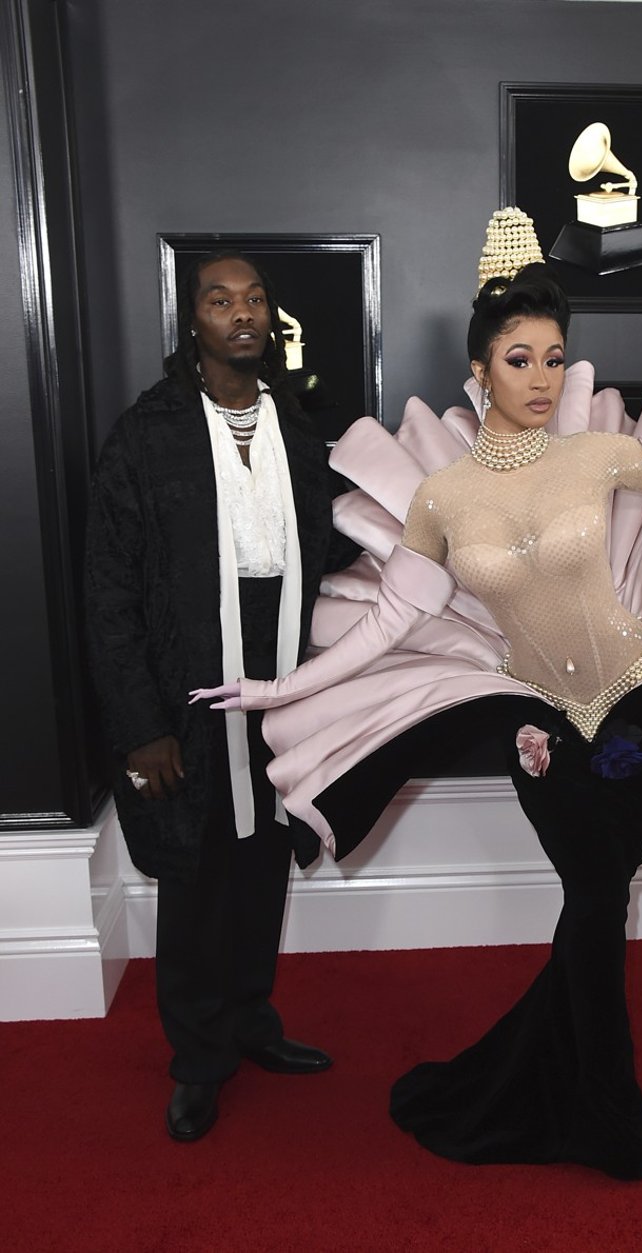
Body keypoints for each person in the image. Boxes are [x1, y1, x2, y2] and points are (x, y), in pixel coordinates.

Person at [193, 220, 642, 1178]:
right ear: (479, 370)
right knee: (594, 901)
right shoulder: (444, 501)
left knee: (594, 902)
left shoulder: (593, 458)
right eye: (519, 359)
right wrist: (274, 689)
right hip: (543, 724)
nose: (542, 379)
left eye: (554, 358)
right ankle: (566, 1089)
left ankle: (606, 1117)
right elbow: (386, 628)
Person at [85, 251, 357, 1143]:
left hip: (278, 675)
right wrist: (140, 727)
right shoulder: (148, 433)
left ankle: (250, 1024)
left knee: (259, 867)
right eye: (218, 299)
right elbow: (110, 590)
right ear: (191, 320)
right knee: (196, 877)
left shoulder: (303, 426)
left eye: (254, 299)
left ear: (268, 318)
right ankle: (198, 1062)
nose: (240, 312)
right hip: (185, 689)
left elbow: (330, 555)